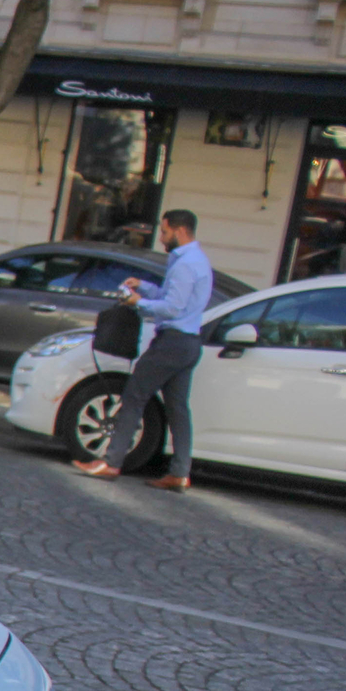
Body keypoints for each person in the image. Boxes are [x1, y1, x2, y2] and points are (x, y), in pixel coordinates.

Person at [75, 209, 213, 492]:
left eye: (164, 232)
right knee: (178, 409)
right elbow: (172, 297)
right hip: (189, 343)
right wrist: (145, 287)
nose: (161, 237)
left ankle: (111, 462)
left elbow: (173, 307)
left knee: (134, 396)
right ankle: (180, 473)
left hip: (172, 342)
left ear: (180, 231)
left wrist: (138, 302)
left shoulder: (186, 264)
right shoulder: (196, 261)